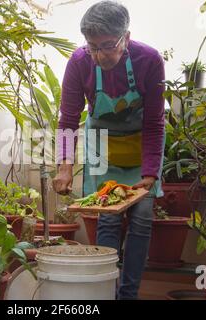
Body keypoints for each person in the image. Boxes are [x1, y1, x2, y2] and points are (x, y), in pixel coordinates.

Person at [52, 1, 165, 300]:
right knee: (108, 217)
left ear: (125, 38)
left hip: (141, 147)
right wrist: (64, 166)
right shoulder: (79, 61)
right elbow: (68, 119)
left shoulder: (149, 60)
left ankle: (128, 295)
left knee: (141, 217)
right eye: (92, 47)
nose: (99, 55)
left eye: (107, 46)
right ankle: (105, 293)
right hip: (102, 143)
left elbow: (155, 123)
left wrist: (151, 172)